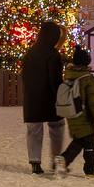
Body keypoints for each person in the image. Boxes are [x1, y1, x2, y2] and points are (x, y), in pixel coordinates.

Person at [20, 21, 66, 175]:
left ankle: (35, 162)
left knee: (34, 129)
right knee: (57, 127)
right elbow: (55, 79)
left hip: (32, 98)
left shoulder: (29, 53)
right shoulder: (53, 55)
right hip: (50, 98)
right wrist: (60, 96)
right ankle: (56, 160)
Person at [53, 47, 94, 178]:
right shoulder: (88, 79)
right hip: (84, 116)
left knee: (79, 141)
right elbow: (93, 102)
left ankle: (63, 160)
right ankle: (90, 171)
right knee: (90, 145)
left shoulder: (69, 76)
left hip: (72, 114)